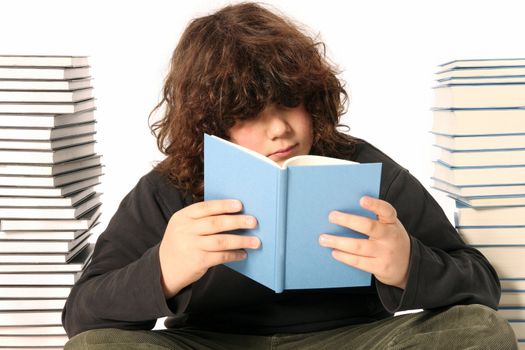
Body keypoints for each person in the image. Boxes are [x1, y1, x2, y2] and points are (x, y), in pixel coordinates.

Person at [62, 3, 517, 349]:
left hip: (355, 339)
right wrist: (162, 271)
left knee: (482, 331)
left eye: (289, 102)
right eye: (247, 115)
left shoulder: (363, 166)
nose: (279, 129)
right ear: (210, 124)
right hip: (212, 344)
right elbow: (81, 316)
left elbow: (480, 283)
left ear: (313, 96)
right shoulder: (169, 187)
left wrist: (407, 265)